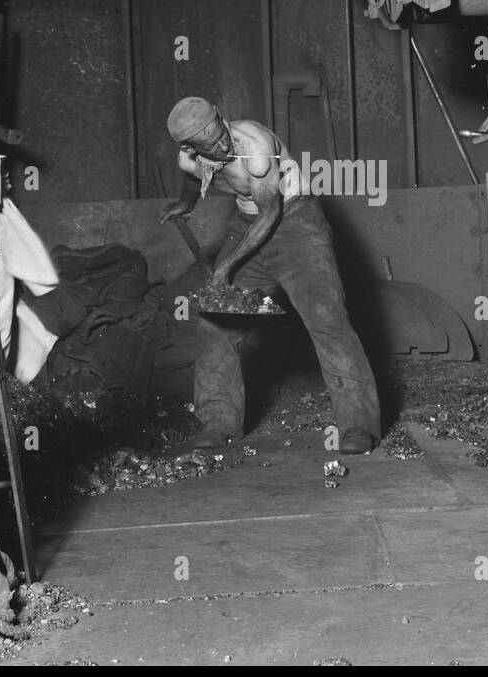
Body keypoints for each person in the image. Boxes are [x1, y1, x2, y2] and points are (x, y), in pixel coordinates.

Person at [160, 96, 381, 454]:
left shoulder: (255, 148)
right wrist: (185, 205)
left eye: (220, 134)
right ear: (189, 147)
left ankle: (358, 426)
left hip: (295, 223)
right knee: (217, 322)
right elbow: (192, 177)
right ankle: (218, 423)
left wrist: (226, 266)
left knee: (327, 319)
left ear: (221, 115)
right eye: (208, 145)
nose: (221, 145)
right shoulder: (190, 157)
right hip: (246, 223)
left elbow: (269, 214)